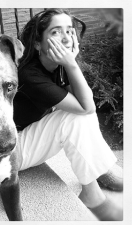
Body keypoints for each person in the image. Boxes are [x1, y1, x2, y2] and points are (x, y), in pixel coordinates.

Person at [14, 8, 122, 221]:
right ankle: (92, 195)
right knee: (75, 116)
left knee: (81, 111)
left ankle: (103, 170)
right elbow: (86, 109)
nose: (66, 38)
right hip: (11, 151)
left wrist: (71, 64)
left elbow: (86, 103)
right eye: (55, 32)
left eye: (70, 31)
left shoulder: (58, 67)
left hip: (30, 139)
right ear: (37, 43)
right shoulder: (30, 74)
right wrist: (71, 63)